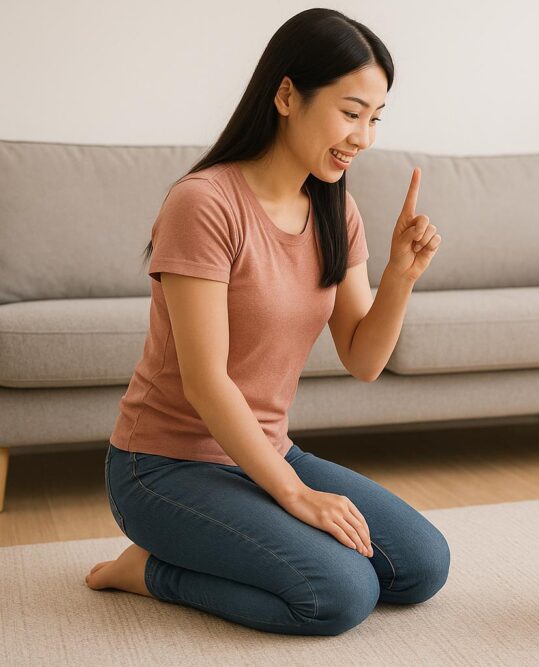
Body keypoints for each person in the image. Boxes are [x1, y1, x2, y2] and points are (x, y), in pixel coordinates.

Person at [85, 8, 447, 636]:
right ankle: (146, 570)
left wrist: (400, 277)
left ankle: (236, 531)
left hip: (264, 450)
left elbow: (363, 361)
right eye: (350, 112)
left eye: (375, 118)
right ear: (286, 94)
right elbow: (206, 382)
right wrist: (296, 495)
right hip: (163, 466)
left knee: (421, 565)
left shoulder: (337, 207)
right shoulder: (204, 203)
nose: (363, 136)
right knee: (339, 594)